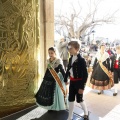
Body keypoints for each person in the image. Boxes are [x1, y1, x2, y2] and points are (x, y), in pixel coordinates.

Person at [35, 47, 67, 111]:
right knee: (47, 93)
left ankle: (54, 106)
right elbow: (47, 70)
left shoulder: (58, 60)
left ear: (55, 53)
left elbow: (62, 70)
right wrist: (45, 77)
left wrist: (66, 79)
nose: (50, 54)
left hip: (55, 79)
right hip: (48, 78)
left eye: (52, 53)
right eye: (49, 53)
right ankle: (49, 106)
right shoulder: (48, 60)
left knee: (53, 93)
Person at [64, 40, 89, 120]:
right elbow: (68, 69)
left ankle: (86, 112)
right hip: (72, 82)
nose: (69, 50)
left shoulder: (82, 60)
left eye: (70, 48)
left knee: (79, 100)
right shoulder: (71, 58)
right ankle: (70, 116)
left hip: (79, 83)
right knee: (70, 99)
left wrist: (82, 87)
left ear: (77, 48)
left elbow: (85, 75)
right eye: (68, 48)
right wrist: (66, 78)